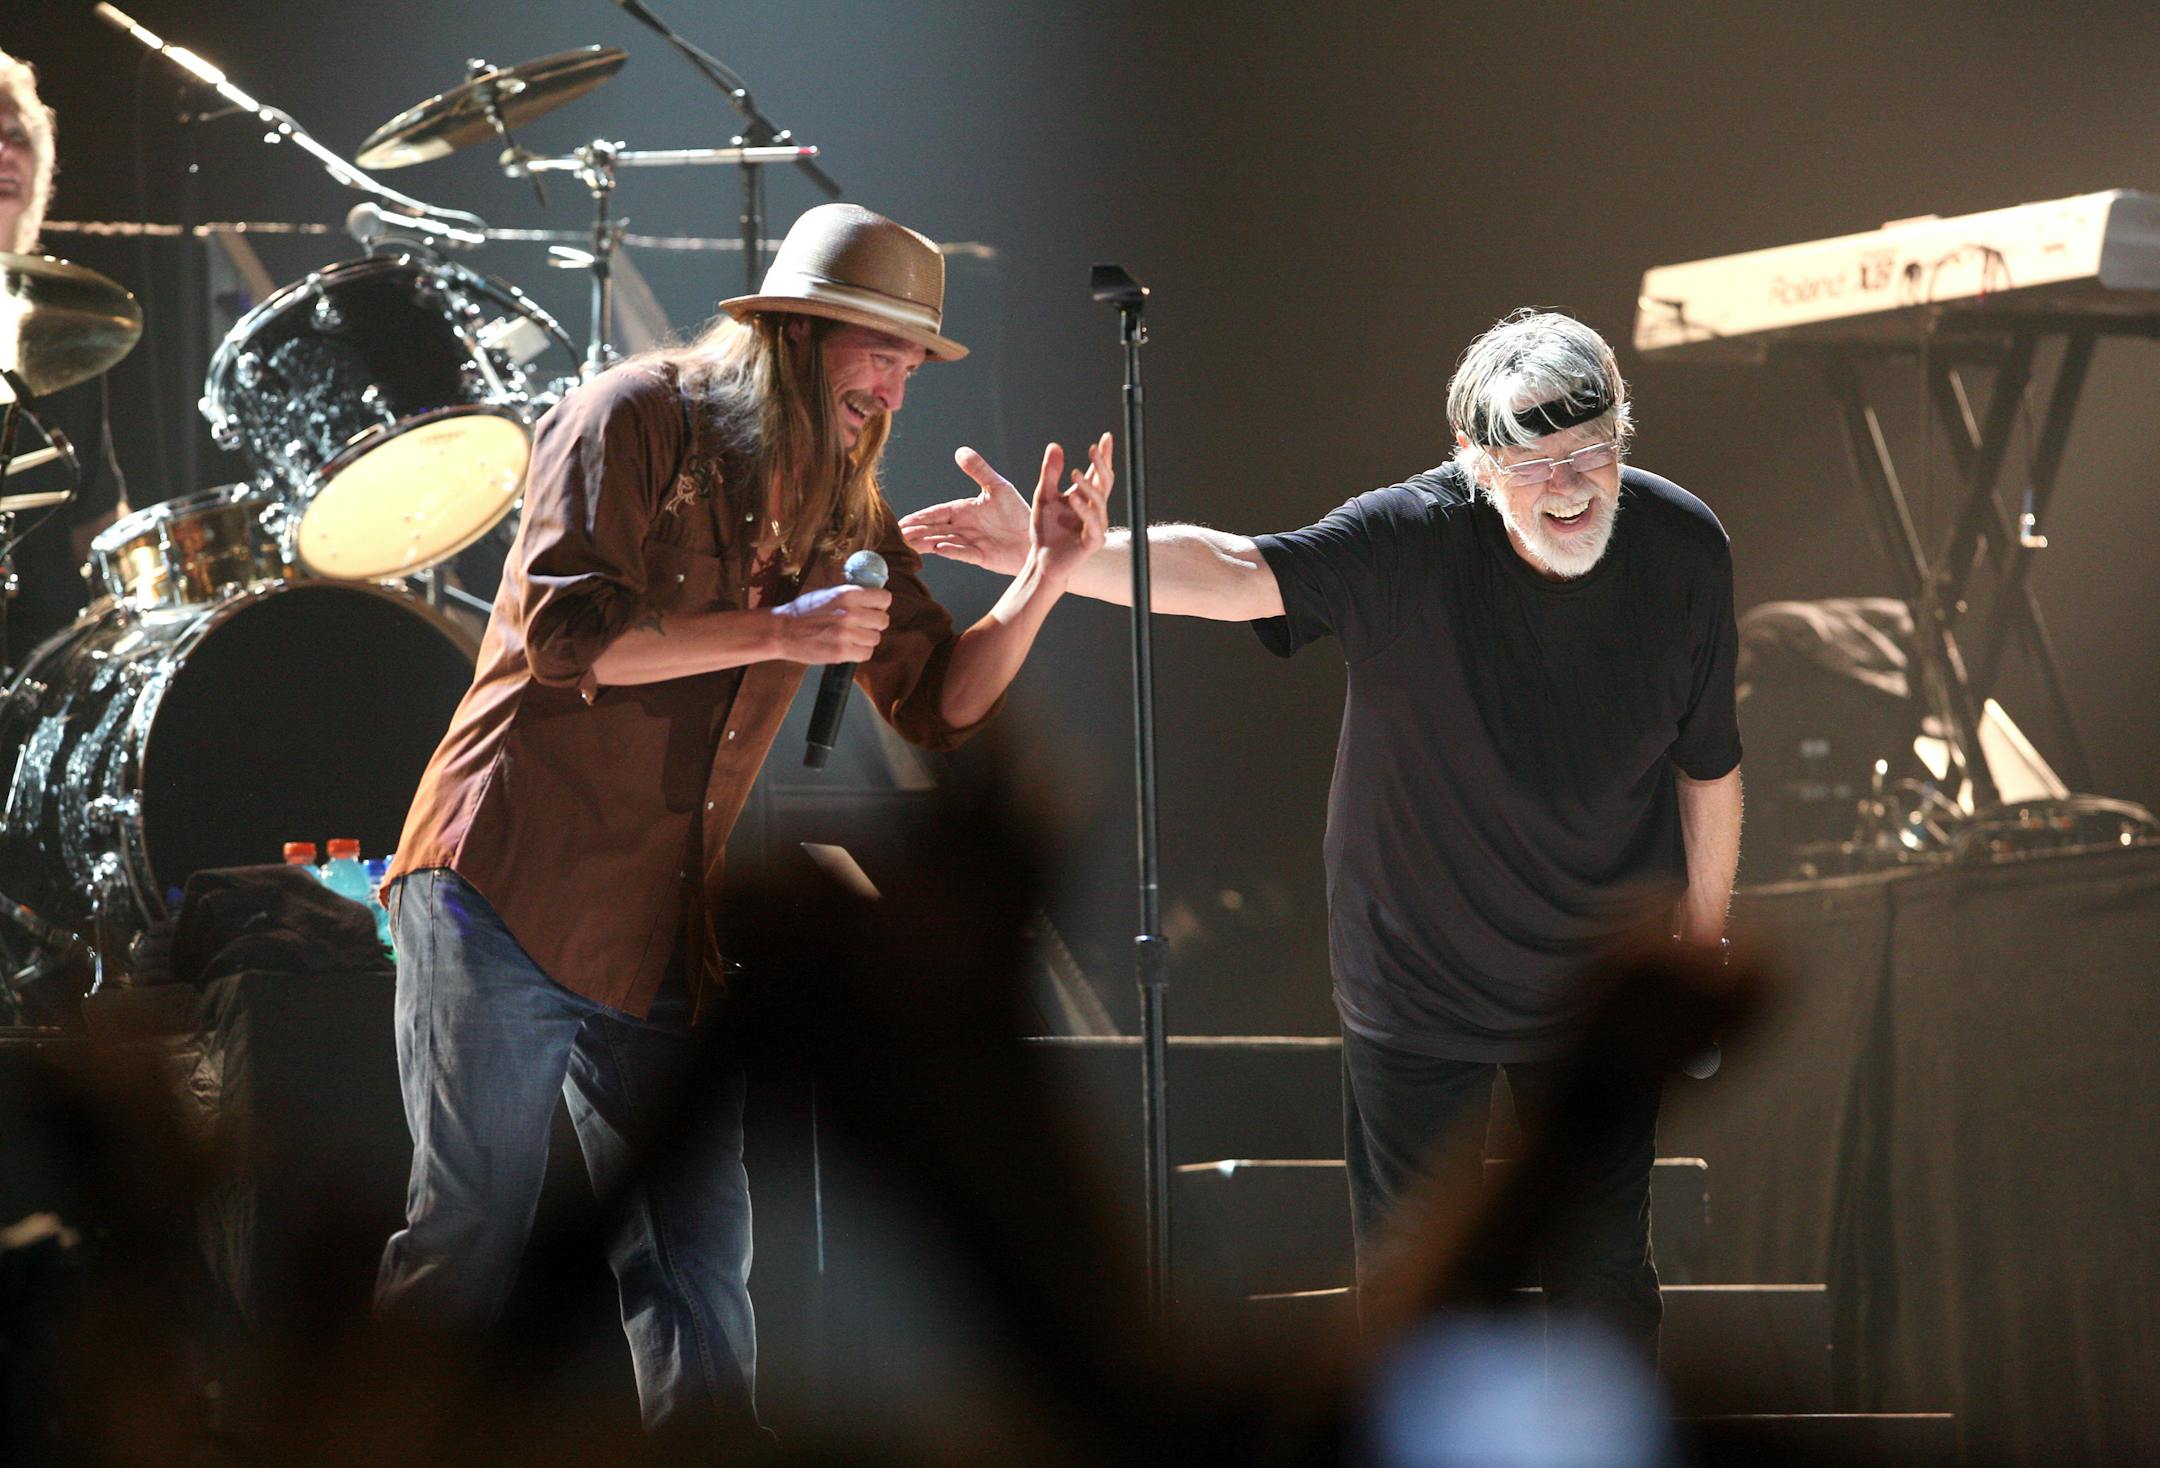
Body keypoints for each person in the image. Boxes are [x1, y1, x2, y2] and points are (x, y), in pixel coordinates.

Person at [373, 202, 1109, 1432]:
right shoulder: (631, 415)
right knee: (470, 1243)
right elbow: (567, 640)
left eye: (915, 366)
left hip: (664, 929)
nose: (898, 393)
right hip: (504, 887)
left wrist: (1047, 576)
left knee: (700, 1266)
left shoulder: (843, 503)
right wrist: (781, 631)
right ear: (802, 334)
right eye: (884, 356)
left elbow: (939, 703)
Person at [900, 309, 1743, 1352]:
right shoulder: (1408, 538)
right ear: (1477, 463)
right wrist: (1066, 559)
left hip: (1594, 980)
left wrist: (1700, 946)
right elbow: (1233, 569)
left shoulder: (1685, 548)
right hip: (1419, 977)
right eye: (1536, 459)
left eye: (1593, 449)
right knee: (1416, 1280)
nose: (1571, 485)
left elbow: (1708, 767)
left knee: (1606, 1271)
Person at [0, 48, 127, 673]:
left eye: (17, 137)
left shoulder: (64, 328)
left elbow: (97, 519)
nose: (5, 154)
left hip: (45, 663)